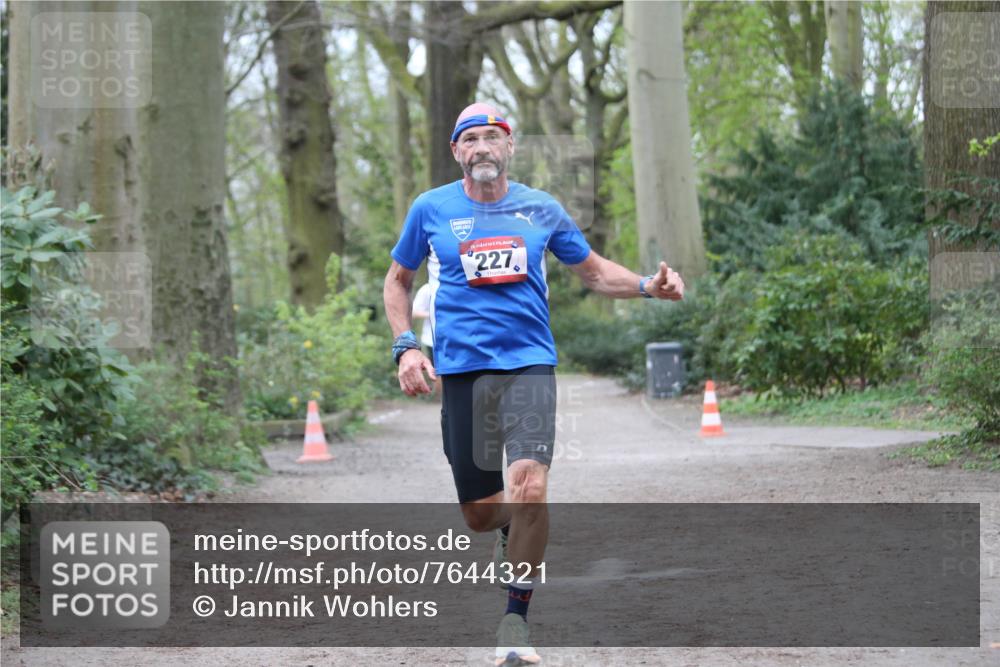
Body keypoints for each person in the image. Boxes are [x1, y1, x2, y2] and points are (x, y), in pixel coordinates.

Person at [383, 102, 684, 666]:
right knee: (478, 514)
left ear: (509, 146)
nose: (481, 148)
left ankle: (515, 622)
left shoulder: (540, 210)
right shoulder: (431, 210)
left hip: (528, 364)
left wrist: (648, 285)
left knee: (530, 489)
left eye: (491, 137)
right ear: (457, 153)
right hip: (463, 371)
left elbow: (592, 270)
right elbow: (397, 282)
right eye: (469, 140)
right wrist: (406, 347)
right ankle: (507, 528)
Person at [410, 281, 442, 395]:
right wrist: (432, 314)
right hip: (431, 338)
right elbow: (413, 311)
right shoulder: (427, 289)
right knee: (438, 370)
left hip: (455, 337)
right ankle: (440, 399)